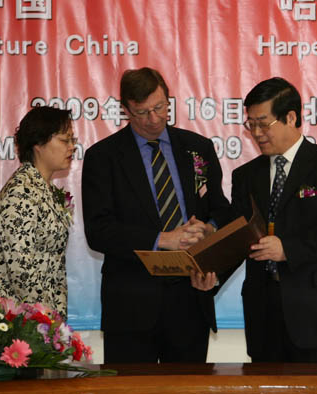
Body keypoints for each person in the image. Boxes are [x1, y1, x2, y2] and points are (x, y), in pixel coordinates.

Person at [82, 67, 231, 363]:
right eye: (142, 112)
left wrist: (208, 230)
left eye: (160, 107)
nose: (153, 119)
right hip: (131, 305)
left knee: (188, 390)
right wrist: (162, 239)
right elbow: (99, 231)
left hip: (190, 300)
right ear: (125, 110)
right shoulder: (103, 157)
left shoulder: (197, 148)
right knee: (132, 391)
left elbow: (221, 209)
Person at [231, 77, 317, 363]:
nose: (256, 133)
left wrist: (287, 248)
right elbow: (238, 236)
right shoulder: (245, 176)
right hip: (264, 317)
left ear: (291, 118)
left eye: (263, 124)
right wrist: (209, 271)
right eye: (250, 124)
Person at [0, 106, 76, 319]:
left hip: (41, 317)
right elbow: (21, 270)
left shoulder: (46, 190)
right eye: (64, 140)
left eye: (72, 140)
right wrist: (45, 319)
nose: (72, 147)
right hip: (10, 317)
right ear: (38, 144)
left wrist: (57, 319)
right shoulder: (20, 192)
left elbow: (56, 266)